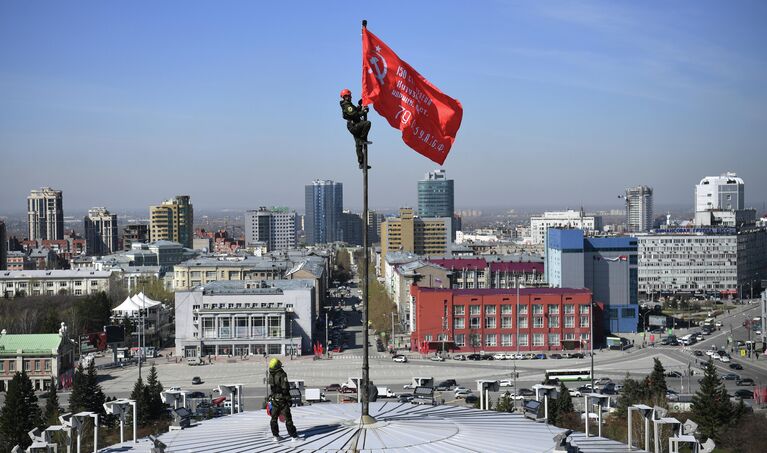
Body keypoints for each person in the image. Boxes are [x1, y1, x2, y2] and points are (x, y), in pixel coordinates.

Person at [339, 88, 372, 169]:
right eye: (348, 96)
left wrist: (360, 107)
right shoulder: (346, 105)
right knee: (367, 123)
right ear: (344, 97)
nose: (350, 97)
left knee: (358, 145)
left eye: (349, 96)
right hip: (353, 125)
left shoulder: (349, 104)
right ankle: (363, 139)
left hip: (354, 125)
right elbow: (354, 115)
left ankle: (361, 163)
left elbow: (355, 111)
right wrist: (363, 112)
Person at [267, 358, 298, 441]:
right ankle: (294, 436)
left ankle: (276, 436)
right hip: (282, 400)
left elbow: (272, 388)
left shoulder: (270, 374)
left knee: (274, 419)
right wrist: (288, 399)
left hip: (274, 399)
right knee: (288, 419)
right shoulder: (282, 374)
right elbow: (285, 388)